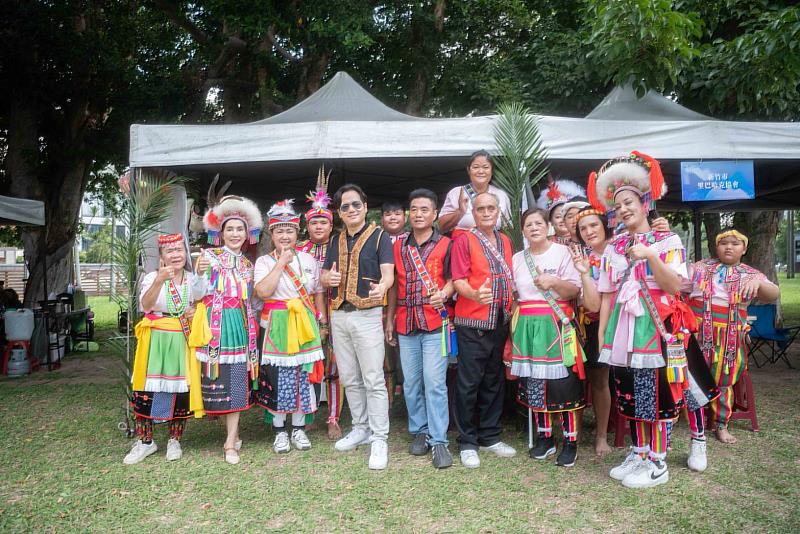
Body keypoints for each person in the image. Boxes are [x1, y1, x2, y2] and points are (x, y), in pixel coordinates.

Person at [592, 151, 717, 488]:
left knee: (660, 390)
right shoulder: (613, 247)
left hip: (660, 323)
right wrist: (604, 332)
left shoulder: (668, 240)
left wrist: (649, 256)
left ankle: (658, 460)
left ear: (645, 202)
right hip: (624, 325)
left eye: (630, 202)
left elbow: (675, 286)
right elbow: (606, 294)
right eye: (618, 207)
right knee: (630, 389)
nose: (624, 210)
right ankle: (639, 451)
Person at [321, 184, 395, 470]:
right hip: (340, 314)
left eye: (356, 204)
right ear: (339, 212)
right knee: (349, 377)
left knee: (374, 378)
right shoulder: (335, 240)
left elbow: (388, 274)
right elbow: (325, 274)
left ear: (365, 205)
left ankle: (379, 437)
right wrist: (328, 279)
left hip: (367, 315)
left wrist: (383, 287)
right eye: (345, 207)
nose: (351, 210)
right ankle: (361, 428)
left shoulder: (380, 237)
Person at [685, 229, 779, 445]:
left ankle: (721, 424)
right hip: (698, 333)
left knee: (724, 378)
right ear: (715, 247)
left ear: (744, 249)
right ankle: (693, 420)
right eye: (723, 243)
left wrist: (760, 284)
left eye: (735, 244)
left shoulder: (751, 274)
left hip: (729, 336)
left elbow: (772, 294)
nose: (729, 247)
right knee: (690, 375)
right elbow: (677, 283)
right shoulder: (699, 268)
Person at [386, 188, 455, 469]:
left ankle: (439, 440)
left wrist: (445, 292)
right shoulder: (397, 246)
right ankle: (420, 431)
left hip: (436, 322)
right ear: (408, 213)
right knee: (411, 382)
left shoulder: (447, 244)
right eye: (413, 209)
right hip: (405, 321)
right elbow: (392, 287)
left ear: (435, 213)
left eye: (424, 209)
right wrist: (389, 319)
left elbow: (454, 279)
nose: (418, 214)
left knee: (435, 382)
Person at [511, 208, 584, 467]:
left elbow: (574, 290)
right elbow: (515, 295)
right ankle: (545, 437)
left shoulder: (562, 252)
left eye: (538, 223)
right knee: (535, 382)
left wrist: (553, 281)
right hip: (527, 325)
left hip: (556, 323)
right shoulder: (518, 258)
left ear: (548, 227)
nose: (534, 228)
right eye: (528, 224)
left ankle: (570, 440)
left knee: (563, 383)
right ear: (523, 230)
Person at [254, 200, 326, 454]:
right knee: (277, 377)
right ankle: (279, 431)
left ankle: (298, 428)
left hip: (305, 323)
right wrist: (281, 263)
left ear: (298, 233)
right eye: (279, 231)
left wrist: (322, 322)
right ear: (271, 234)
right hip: (276, 324)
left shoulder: (308, 259)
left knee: (303, 376)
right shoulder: (264, 262)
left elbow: (317, 292)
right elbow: (263, 292)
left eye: (290, 231)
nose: (285, 236)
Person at [451, 191, 517, 468]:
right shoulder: (463, 240)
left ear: (498, 210)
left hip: (499, 321)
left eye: (492, 208)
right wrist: (475, 295)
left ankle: (490, 436)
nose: (487, 212)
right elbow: (458, 280)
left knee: (493, 380)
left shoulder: (505, 241)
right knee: (468, 383)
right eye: (481, 209)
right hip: (472, 323)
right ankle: (467, 441)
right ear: (473, 214)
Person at [195, 194, 262, 465]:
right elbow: (197, 293)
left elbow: (254, 301)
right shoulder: (208, 257)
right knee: (216, 380)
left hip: (241, 325)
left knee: (236, 381)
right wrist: (200, 273)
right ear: (220, 232)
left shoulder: (248, 265)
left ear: (248, 233)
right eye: (230, 229)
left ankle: (230, 441)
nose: (235, 234)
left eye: (239, 229)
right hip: (215, 323)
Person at [125, 233, 203, 465]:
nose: (176, 254)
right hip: (155, 336)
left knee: (179, 388)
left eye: (180, 250)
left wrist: (195, 311)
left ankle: (174, 440)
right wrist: (160, 279)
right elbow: (146, 305)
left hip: (181, 337)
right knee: (145, 387)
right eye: (170, 251)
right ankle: (145, 441)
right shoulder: (151, 278)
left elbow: (203, 302)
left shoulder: (191, 278)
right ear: (161, 256)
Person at [296, 168, 343, 440]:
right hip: (306, 316)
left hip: (337, 312)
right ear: (307, 224)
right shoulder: (300, 250)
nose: (318, 227)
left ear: (330, 223)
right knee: (309, 365)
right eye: (314, 223)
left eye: (323, 223)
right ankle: (310, 412)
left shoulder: (340, 246)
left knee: (334, 367)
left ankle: (333, 417)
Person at [571, 206, 614, 456]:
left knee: (600, 380)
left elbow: (596, 303)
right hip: (578, 323)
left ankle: (600, 436)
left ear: (604, 225)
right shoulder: (578, 255)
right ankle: (571, 433)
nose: (588, 231)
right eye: (583, 228)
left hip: (605, 324)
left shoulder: (618, 251)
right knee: (575, 377)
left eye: (593, 225)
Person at [438, 150, 512, 236]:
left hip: (493, 246)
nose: (481, 171)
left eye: (485, 167)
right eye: (476, 167)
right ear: (469, 170)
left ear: (492, 171)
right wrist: (460, 212)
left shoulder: (501, 195)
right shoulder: (456, 193)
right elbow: (441, 226)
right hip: (463, 245)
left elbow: (508, 229)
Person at [381, 200, 408, 401]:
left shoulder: (411, 239)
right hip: (379, 303)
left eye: (397, 213)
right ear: (382, 218)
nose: (393, 217)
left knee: (406, 354)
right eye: (388, 213)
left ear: (404, 217)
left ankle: (407, 391)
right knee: (384, 355)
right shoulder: (376, 238)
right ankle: (388, 399)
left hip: (405, 303)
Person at [536, 179, 585, 245]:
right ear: (551, 221)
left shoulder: (586, 238)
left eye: (568, 216)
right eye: (558, 216)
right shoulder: (546, 244)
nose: (563, 220)